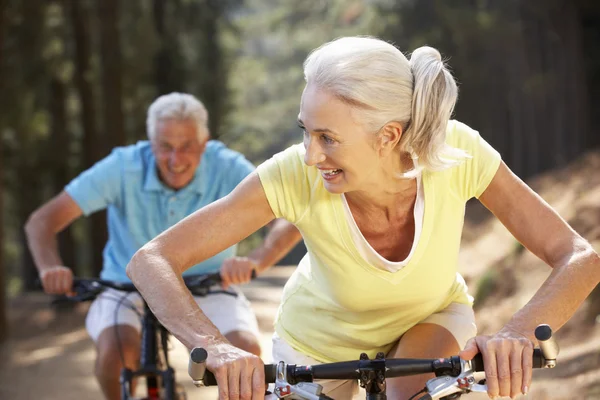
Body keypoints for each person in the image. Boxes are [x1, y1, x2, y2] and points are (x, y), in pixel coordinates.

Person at [126, 37, 600, 400]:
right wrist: (217, 346)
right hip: (314, 342)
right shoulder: (293, 174)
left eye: (328, 138)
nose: (311, 155)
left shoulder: (456, 153)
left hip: (428, 318)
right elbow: (153, 260)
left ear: (388, 135)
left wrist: (518, 332)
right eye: (305, 132)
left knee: (409, 392)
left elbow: (578, 256)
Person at [25, 92, 302, 400]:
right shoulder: (122, 166)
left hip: (208, 285)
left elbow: (290, 217)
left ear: (204, 142)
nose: (175, 159)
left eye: (186, 146)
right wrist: (49, 266)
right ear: (150, 142)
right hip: (125, 286)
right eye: (165, 146)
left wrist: (256, 260)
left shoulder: (227, 166)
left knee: (244, 354)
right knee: (116, 354)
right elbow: (42, 221)